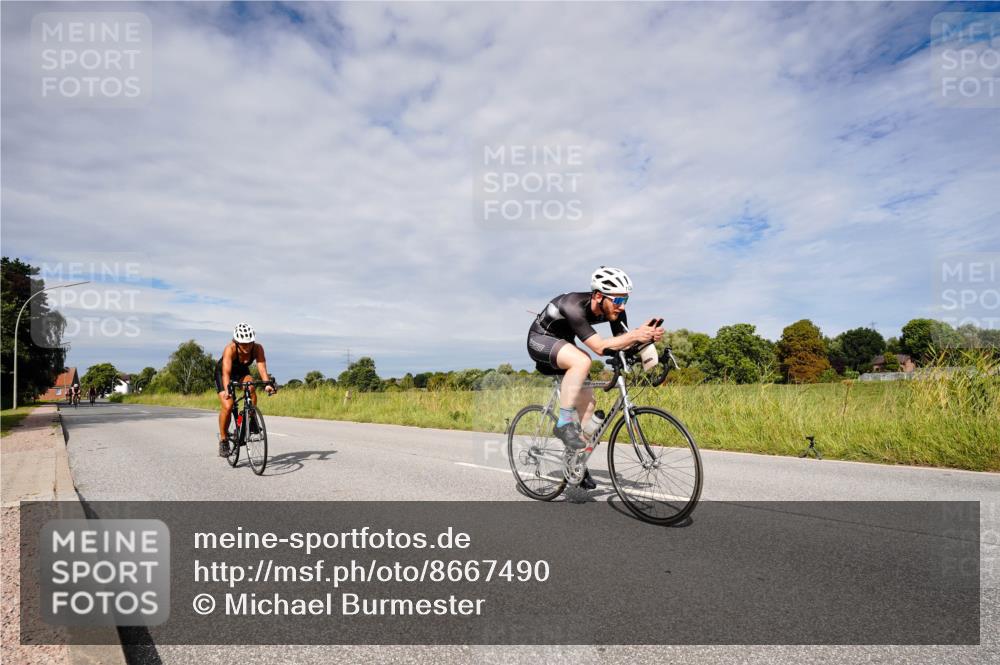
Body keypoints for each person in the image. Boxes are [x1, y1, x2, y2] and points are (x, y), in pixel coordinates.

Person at [527, 266, 664, 489]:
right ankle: (563, 422)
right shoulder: (572, 305)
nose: (621, 306)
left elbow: (623, 344)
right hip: (541, 340)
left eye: (625, 300)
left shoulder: (616, 312)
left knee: (589, 405)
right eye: (617, 300)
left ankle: (574, 464)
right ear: (599, 296)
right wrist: (636, 334)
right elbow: (600, 347)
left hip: (565, 347)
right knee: (583, 360)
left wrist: (645, 339)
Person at [215, 323, 276, 457]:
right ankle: (224, 439)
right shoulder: (230, 349)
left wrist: (267, 383)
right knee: (228, 405)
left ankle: (249, 417)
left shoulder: (258, 348)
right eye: (243, 344)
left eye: (249, 343)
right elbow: (226, 372)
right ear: (236, 342)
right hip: (224, 374)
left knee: (251, 386)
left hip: (242, 372)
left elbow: (261, 367)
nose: (247, 347)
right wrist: (227, 390)